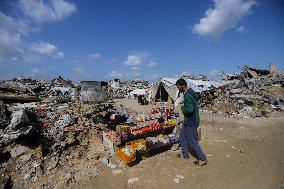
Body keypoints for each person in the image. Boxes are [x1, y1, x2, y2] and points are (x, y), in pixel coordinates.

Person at [175, 78, 208, 166]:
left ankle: (203, 158)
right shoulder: (190, 93)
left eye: (178, 87)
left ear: (183, 85)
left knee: (192, 140)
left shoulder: (188, 95)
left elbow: (189, 110)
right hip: (188, 120)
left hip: (191, 121)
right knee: (182, 136)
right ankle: (185, 154)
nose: (178, 89)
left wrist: (182, 108)